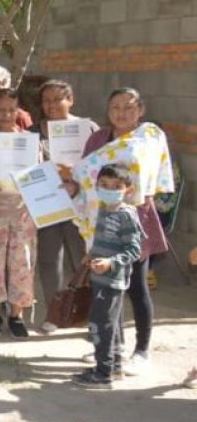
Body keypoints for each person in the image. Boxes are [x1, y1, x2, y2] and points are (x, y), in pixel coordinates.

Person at [75, 88, 174, 375]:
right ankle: (111, 346)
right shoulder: (97, 139)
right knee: (105, 286)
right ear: (107, 111)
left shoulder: (148, 138)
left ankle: (142, 350)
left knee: (136, 286)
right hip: (98, 223)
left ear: (140, 109)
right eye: (115, 107)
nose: (121, 113)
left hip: (134, 221)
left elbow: (148, 180)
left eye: (128, 107)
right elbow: (84, 174)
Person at [30, 79, 98, 333]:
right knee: (49, 259)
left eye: (58, 99)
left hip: (81, 203)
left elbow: (101, 167)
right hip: (48, 205)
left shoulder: (89, 128)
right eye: (46, 100)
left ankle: (88, 312)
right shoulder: (34, 132)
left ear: (71, 100)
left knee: (83, 257)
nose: (51, 105)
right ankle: (55, 313)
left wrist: (77, 181)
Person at [71, 164, 142, 389]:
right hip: (99, 277)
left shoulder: (126, 215)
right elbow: (102, 241)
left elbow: (133, 250)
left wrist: (111, 263)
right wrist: (91, 254)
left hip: (113, 280)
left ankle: (103, 374)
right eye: (104, 185)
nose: (109, 189)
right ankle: (114, 366)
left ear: (128, 189)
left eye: (116, 186)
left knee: (101, 325)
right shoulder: (104, 209)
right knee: (107, 323)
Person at [0, 89, 37, 339]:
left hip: (23, 212)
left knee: (21, 263)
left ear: (19, 112)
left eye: (12, 109)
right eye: (0, 110)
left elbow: (39, 174)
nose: (6, 115)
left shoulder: (29, 141)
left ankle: (17, 315)